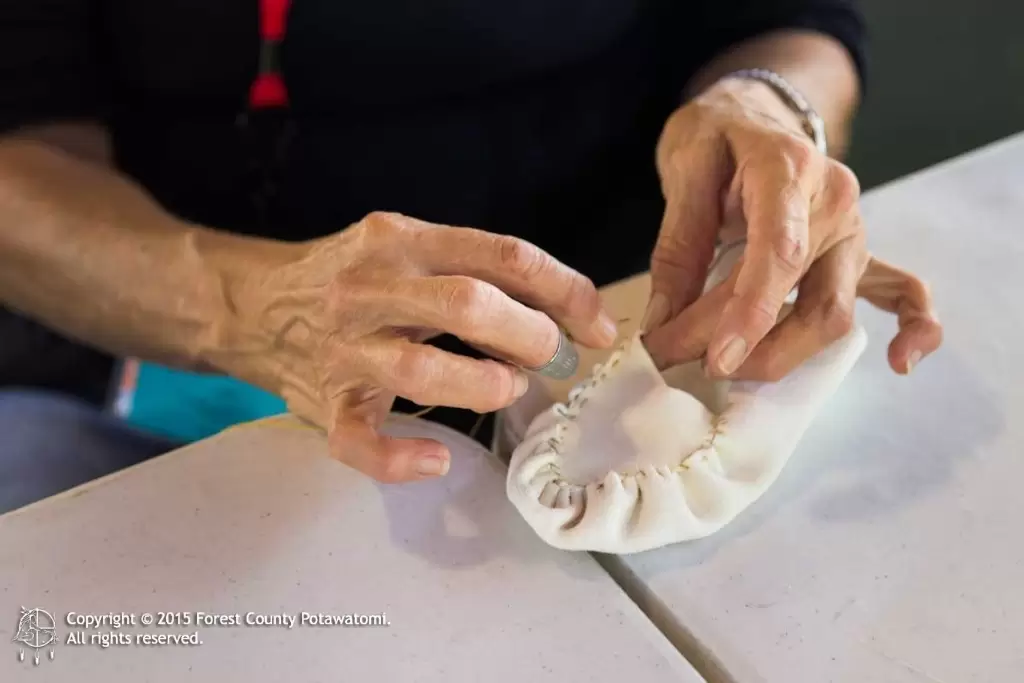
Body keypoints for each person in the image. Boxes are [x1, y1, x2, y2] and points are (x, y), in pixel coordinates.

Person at [0, 0, 942, 512]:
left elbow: (782, 20)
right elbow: (21, 154)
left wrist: (768, 110)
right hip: (148, 338)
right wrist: (238, 309)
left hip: (623, 323)